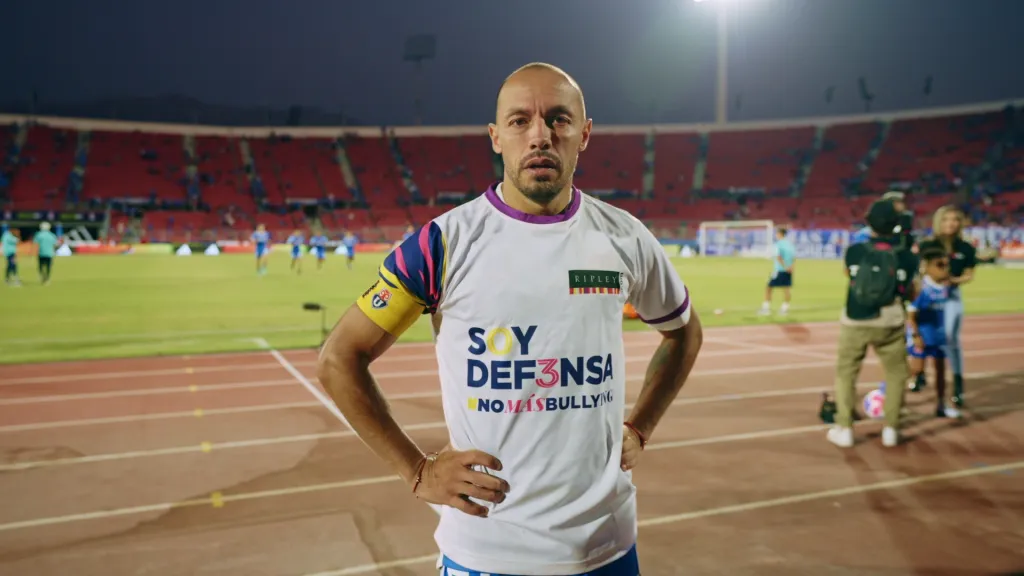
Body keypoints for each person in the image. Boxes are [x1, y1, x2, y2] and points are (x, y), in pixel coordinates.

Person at [316, 62, 703, 576]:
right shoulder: (443, 243)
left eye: (559, 119)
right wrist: (417, 472)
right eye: (520, 121)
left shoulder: (625, 237)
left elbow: (683, 334)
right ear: (496, 137)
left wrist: (642, 427)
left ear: (583, 134)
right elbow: (340, 358)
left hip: (609, 546)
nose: (540, 135)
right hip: (488, 553)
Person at [829, 199, 919, 448]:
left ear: (869, 223)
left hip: (855, 318)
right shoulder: (907, 257)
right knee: (896, 374)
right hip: (891, 318)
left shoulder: (854, 251)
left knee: (846, 373)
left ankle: (844, 427)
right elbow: (910, 291)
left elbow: (850, 278)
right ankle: (891, 428)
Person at [916, 205, 975, 408]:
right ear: (938, 222)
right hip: (928, 298)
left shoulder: (966, 247)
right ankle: (919, 374)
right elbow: (920, 270)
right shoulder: (928, 245)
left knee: (950, 338)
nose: (951, 223)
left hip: (951, 297)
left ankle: (957, 383)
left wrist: (955, 279)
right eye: (946, 219)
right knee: (920, 336)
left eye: (955, 219)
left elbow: (970, 273)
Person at [905, 246, 958, 418]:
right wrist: (916, 336)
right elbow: (911, 316)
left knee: (941, 371)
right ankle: (894, 394)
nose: (945, 269)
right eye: (940, 265)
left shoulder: (948, 287)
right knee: (915, 370)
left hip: (940, 337)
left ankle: (941, 403)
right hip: (922, 337)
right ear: (927, 266)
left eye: (946, 264)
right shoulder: (921, 288)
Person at [759, 225, 795, 316]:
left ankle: (766, 308)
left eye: (777, 233)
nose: (776, 235)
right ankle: (785, 308)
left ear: (780, 234)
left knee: (768, 287)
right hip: (789, 270)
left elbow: (779, 257)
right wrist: (791, 267)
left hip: (779, 269)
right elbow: (793, 258)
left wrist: (785, 266)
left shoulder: (778, 244)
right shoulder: (790, 244)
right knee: (786, 289)